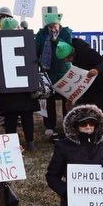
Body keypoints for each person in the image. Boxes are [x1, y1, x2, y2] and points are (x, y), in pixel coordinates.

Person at [0, 17, 39, 151]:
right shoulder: (25, 41)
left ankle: (22, 142)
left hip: (12, 85)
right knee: (18, 115)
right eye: (17, 27)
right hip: (18, 84)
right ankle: (24, 142)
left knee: (16, 116)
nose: (19, 29)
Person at [34, 8, 74, 138]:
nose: (52, 28)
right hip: (47, 72)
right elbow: (36, 51)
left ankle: (67, 124)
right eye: (50, 26)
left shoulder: (66, 33)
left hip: (64, 71)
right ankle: (49, 126)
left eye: (54, 26)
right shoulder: (41, 35)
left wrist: (56, 40)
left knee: (66, 100)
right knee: (48, 100)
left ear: (58, 24)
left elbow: (68, 49)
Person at [54, 38, 103, 114]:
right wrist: (70, 98)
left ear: (72, 53)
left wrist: (96, 70)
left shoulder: (87, 52)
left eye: (67, 58)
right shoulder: (75, 60)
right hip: (93, 87)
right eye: (63, 60)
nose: (66, 61)